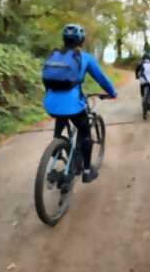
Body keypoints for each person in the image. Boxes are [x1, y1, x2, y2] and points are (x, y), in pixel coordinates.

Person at [43, 24, 117, 189]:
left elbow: (46, 80)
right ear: (81, 40)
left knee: (61, 116)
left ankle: (56, 146)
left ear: (64, 39)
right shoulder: (85, 57)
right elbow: (101, 78)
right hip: (73, 105)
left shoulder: (54, 55)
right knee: (84, 132)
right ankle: (86, 171)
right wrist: (112, 92)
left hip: (50, 104)